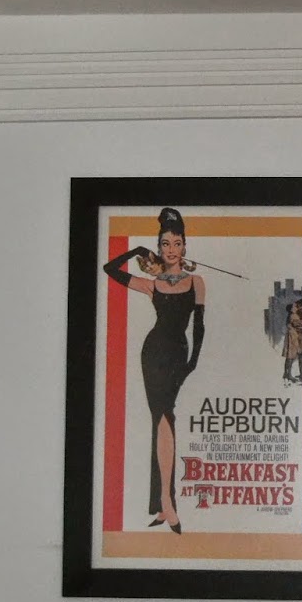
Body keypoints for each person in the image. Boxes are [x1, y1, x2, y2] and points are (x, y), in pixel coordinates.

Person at [103, 207, 205, 532]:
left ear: (184, 246)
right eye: (164, 244)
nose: (171, 249)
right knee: (161, 418)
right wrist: (135, 249)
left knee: (164, 418)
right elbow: (109, 269)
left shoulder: (196, 282)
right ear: (158, 248)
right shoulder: (153, 284)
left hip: (178, 354)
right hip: (153, 354)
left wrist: (192, 363)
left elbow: (199, 327)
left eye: (176, 243)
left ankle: (163, 504)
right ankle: (166, 504)